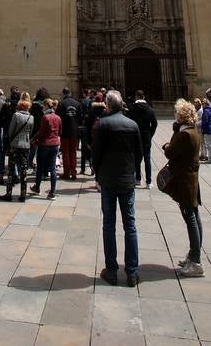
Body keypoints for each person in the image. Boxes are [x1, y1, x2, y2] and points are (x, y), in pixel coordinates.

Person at [92, 89, 142, 287]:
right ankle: (132, 272)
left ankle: (111, 270)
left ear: (108, 104)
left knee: (108, 224)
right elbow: (139, 154)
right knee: (130, 225)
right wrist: (130, 170)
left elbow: (96, 154)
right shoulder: (132, 124)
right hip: (127, 180)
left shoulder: (102, 124)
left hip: (108, 180)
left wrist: (99, 172)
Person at [162, 99, 204, 277]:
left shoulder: (185, 134)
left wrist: (167, 145)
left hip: (185, 179)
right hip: (190, 178)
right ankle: (194, 255)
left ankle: (195, 262)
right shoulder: (193, 130)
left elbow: (171, 152)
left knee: (191, 217)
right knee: (194, 214)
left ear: (181, 116)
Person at [0, 93, 34, 202]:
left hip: (15, 145)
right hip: (26, 145)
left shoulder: (16, 115)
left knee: (11, 168)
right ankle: (23, 194)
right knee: (23, 169)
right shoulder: (31, 117)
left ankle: (9, 193)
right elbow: (31, 132)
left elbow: (10, 132)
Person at [31, 98, 62, 198]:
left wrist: (33, 139)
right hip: (55, 144)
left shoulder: (45, 117)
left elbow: (41, 132)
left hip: (45, 144)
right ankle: (52, 192)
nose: (42, 108)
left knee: (40, 166)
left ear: (46, 106)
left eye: (43, 106)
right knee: (52, 168)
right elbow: (60, 132)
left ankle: (37, 187)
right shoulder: (58, 117)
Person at [127, 90, 157, 187]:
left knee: (136, 158)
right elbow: (155, 124)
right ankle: (149, 182)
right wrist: (150, 133)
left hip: (135, 136)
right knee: (147, 159)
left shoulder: (132, 109)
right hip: (146, 136)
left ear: (136, 97)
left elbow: (128, 122)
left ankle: (138, 179)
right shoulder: (150, 109)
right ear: (143, 97)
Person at [57, 87, 82, 180]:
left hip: (65, 132)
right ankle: (74, 172)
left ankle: (67, 173)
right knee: (73, 152)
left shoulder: (61, 103)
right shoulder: (77, 103)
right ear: (70, 93)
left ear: (63, 94)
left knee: (65, 153)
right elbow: (80, 118)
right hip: (74, 132)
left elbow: (59, 118)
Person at [200, 99, 211, 163]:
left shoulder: (206, 111)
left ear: (206, 104)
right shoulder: (209, 110)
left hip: (207, 129)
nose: (202, 105)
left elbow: (205, 121)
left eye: (203, 103)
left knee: (209, 145)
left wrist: (202, 127)